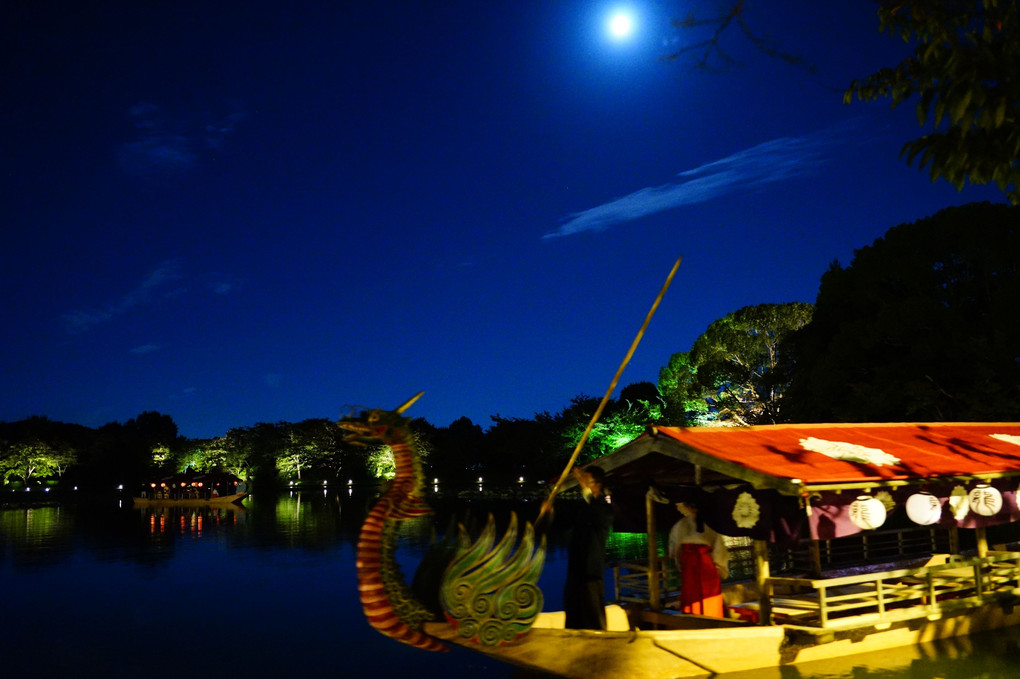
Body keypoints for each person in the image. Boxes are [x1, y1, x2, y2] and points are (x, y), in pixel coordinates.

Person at [563, 465, 614, 630]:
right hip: (575, 569)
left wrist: (584, 488)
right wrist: (548, 514)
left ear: (597, 485)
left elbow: (597, 513)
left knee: (592, 616)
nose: (583, 485)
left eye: (587, 482)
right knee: (573, 614)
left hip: (591, 571)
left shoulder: (605, 509)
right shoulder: (582, 508)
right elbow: (564, 525)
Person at [667, 499, 729, 617]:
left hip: (693, 562)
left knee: (694, 593)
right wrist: (720, 567)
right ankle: (708, 618)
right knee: (699, 594)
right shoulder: (710, 523)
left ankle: (698, 618)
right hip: (702, 562)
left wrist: (679, 562)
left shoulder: (680, 525)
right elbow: (719, 550)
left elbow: (674, 550)